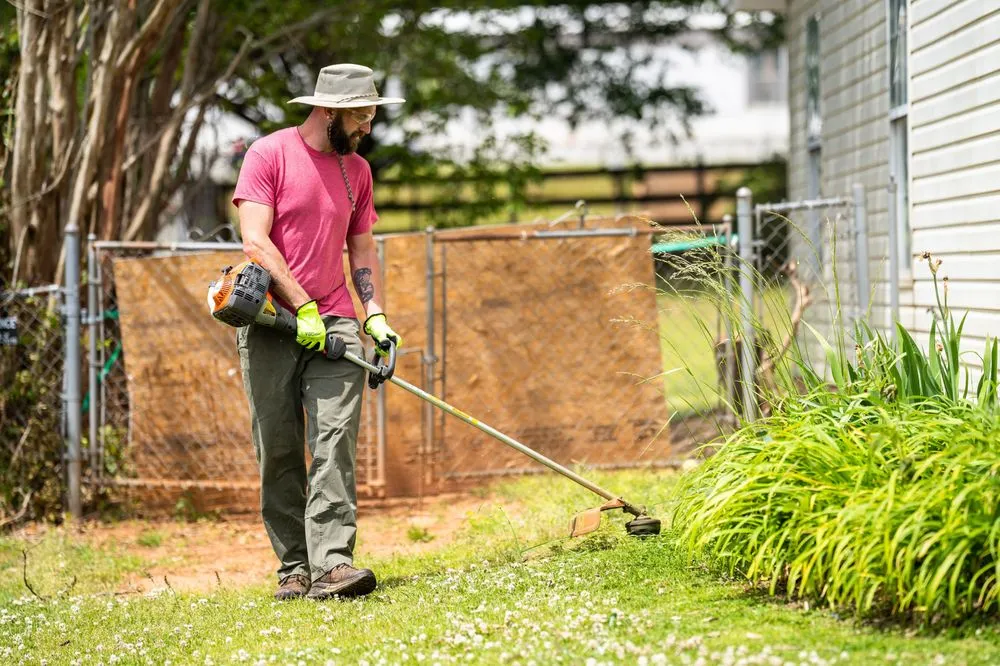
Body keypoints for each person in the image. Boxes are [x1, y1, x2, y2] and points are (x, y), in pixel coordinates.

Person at [231, 64, 404, 601]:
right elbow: (254, 239)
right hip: (272, 321)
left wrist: (373, 311)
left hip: (338, 322)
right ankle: (294, 568)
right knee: (278, 449)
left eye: (372, 115)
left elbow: (362, 245)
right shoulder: (269, 154)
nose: (368, 127)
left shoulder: (358, 169)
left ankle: (332, 564)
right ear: (329, 111)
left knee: (333, 441)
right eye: (361, 115)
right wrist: (300, 306)